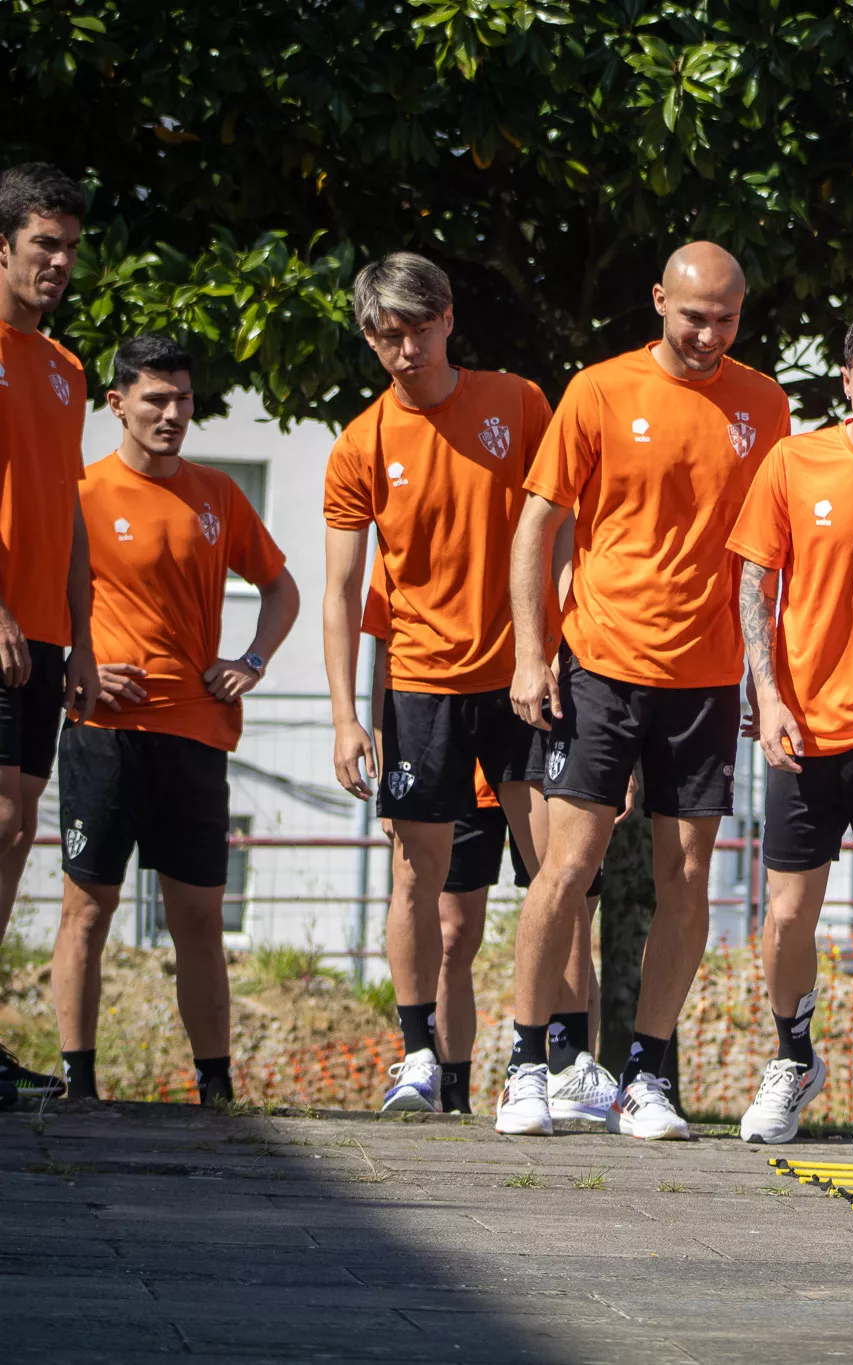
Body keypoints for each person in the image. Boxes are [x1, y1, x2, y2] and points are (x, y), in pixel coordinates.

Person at [498, 242, 789, 1140]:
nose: (708, 333)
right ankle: (523, 1064)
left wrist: (766, 672)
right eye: (692, 314)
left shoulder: (764, 401)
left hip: (705, 680)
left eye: (726, 317)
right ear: (659, 299)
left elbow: (772, 554)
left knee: (689, 875)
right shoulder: (597, 390)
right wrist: (532, 654)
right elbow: (535, 529)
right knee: (569, 866)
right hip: (604, 661)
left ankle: (646, 1075)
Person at [322, 252, 556, 1113]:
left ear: (448, 318)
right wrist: (347, 716)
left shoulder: (519, 403)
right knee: (418, 882)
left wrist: (556, 642)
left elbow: (561, 526)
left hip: (522, 674)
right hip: (419, 683)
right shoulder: (360, 443)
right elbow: (343, 592)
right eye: (386, 336)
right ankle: (417, 1055)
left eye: (417, 330)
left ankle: (557, 1060)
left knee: (557, 869)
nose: (405, 349)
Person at [49, 335, 297, 1106]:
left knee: (199, 916)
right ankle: (77, 1082)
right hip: (105, 732)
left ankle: (215, 1087)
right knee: (87, 908)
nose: (172, 413)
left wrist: (251, 661)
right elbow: (38, 595)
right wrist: (71, 668)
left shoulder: (217, 493)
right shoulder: (81, 492)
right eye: (156, 398)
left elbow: (282, 588)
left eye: (184, 398)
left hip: (195, 732)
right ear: (117, 402)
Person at [726, 307, 853, 1156]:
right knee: (785, 918)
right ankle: (793, 1058)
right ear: (848, 376)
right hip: (805, 727)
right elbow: (754, 583)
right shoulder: (793, 458)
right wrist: (768, 697)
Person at [361, 579, 614, 1119]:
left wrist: (612, 772)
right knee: (455, 935)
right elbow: (387, 657)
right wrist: (388, 767)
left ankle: (571, 1068)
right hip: (457, 775)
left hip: (535, 751)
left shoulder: (533, 533)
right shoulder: (412, 542)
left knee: (568, 908)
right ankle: (448, 1089)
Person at [0, 162, 96, 1106]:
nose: (60, 262)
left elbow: (66, 511)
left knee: (20, 826)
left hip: (47, 633)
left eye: (70, 247)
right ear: (2, 245)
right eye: (43, 245)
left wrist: (84, 637)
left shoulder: (67, 369)